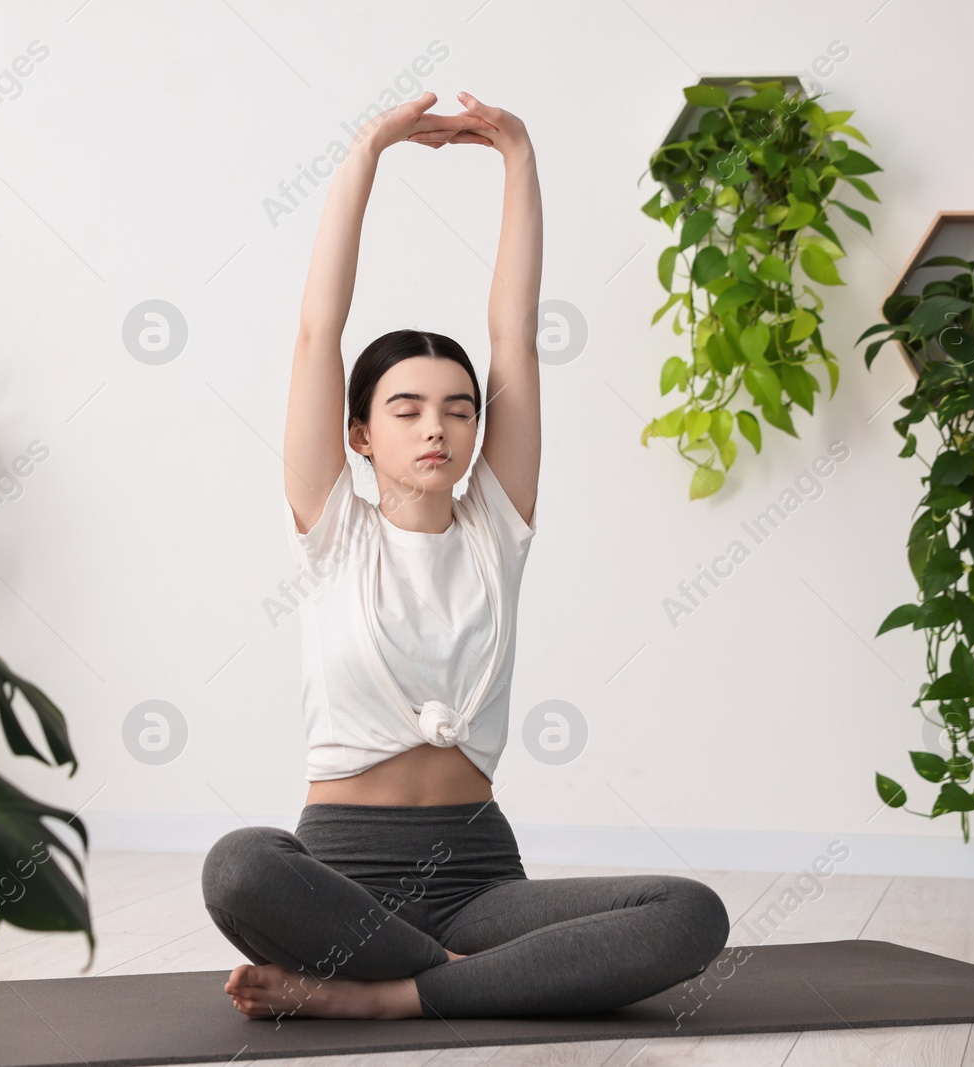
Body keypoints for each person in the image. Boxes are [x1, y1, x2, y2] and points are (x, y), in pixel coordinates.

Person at [202, 91, 729, 1023]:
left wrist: (516, 155)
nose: (436, 426)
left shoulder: (496, 525)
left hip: (482, 877)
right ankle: (469, 977)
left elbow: (512, 338)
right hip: (339, 876)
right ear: (359, 433)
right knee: (239, 865)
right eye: (405, 408)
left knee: (691, 913)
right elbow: (317, 333)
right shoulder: (334, 530)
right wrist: (366, 149)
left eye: (458, 408)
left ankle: (391, 994)